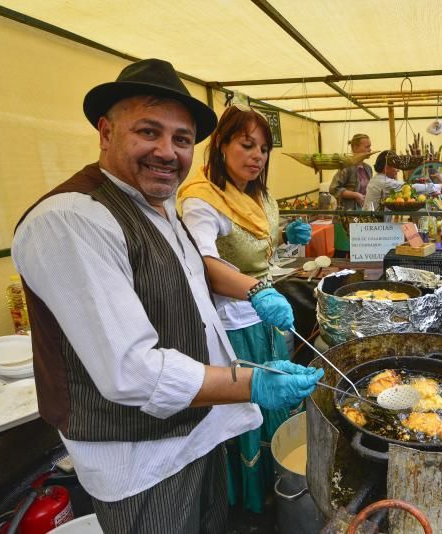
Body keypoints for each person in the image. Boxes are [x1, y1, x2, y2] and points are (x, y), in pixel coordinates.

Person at [11, 58, 322, 532]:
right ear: (105, 132)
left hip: (199, 429)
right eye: (148, 132)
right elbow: (131, 371)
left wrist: (256, 295)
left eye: (180, 140)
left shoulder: (159, 207)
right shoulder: (71, 220)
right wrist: (251, 382)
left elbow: (195, 287)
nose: (166, 151)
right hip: (141, 459)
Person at [177, 105, 312, 513]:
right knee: (248, 403)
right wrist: (256, 291)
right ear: (220, 144)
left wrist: (288, 232)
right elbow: (203, 263)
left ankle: (279, 479)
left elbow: (252, 239)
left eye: (264, 148)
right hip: (232, 325)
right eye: (246, 144)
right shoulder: (201, 199)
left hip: (265, 316)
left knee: (275, 395)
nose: (257, 156)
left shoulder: (255, 190)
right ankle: (249, 499)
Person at [362, 150, 442, 210]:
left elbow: (406, 189)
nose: (398, 170)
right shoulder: (382, 182)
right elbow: (409, 188)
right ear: (386, 168)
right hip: (372, 228)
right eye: (396, 167)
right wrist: (441, 186)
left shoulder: (379, 179)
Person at [329, 133, 373, 209]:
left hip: (364, 210)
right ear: (355, 148)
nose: (370, 149)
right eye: (367, 147)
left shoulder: (368, 168)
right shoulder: (346, 167)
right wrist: (355, 195)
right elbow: (333, 188)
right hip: (349, 212)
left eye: (370, 146)